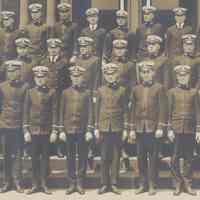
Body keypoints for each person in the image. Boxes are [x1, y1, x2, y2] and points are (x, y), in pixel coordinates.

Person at [129, 60, 167, 195]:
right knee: (140, 157)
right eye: (143, 72)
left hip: (153, 129)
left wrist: (160, 127)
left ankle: (152, 184)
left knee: (154, 157)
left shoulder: (159, 88)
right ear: (141, 74)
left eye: (148, 72)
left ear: (153, 73)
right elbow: (132, 110)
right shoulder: (136, 89)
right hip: (140, 128)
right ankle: (142, 183)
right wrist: (132, 129)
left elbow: (163, 108)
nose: (146, 75)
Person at [94, 62, 129, 195]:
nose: (110, 76)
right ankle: (104, 183)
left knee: (116, 157)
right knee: (104, 157)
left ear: (116, 75)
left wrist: (125, 128)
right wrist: (96, 127)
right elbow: (97, 110)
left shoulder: (122, 90)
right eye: (107, 74)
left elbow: (125, 110)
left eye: (112, 74)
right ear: (105, 75)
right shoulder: (100, 90)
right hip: (103, 127)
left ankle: (114, 183)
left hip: (117, 127)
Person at [58, 65, 93, 195]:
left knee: (83, 156)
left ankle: (80, 182)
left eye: (78, 76)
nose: (76, 79)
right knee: (70, 157)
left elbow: (90, 112)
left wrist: (89, 129)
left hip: (82, 129)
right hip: (68, 129)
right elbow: (61, 111)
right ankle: (71, 183)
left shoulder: (87, 92)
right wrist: (61, 129)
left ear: (82, 77)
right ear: (71, 77)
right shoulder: (65, 92)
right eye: (74, 76)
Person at [23, 65, 57, 195]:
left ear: (46, 78)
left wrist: (54, 130)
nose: (40, 80)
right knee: (34, 158)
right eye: (38, 78)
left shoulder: (52, 92)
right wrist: (26, 130)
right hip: (33, 130)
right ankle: (34, 184)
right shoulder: (30, 92)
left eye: (42, 78)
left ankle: (44, 183)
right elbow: (26, 111)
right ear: (34, 78)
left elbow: (54, 111)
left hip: (46, 130)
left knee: (45, 158)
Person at [167, 65, 198, 196]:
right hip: (176, 128)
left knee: (189, 158)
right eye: (180, 76)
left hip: (190, 129)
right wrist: (169, 129)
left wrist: (198, 130)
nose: (183, 78)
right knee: (174, 158)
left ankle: (188, 183)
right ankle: (177, 183)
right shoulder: (172, 92)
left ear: (189, 76)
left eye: (185, 76)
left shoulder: (194, 92)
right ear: (177, 77)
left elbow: (198, 112)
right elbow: (169, 111)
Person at [0, 60, 28, 193]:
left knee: (18, 155)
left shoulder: (25, 87)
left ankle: (17, 181)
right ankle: (6, 182)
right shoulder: (2, 86)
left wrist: (24, 126)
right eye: (9, 72)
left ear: (19, 72)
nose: (11, 74)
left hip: (18, 126)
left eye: (14, 71)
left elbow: (26, 108)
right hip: (5, 125)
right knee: (5, 155)